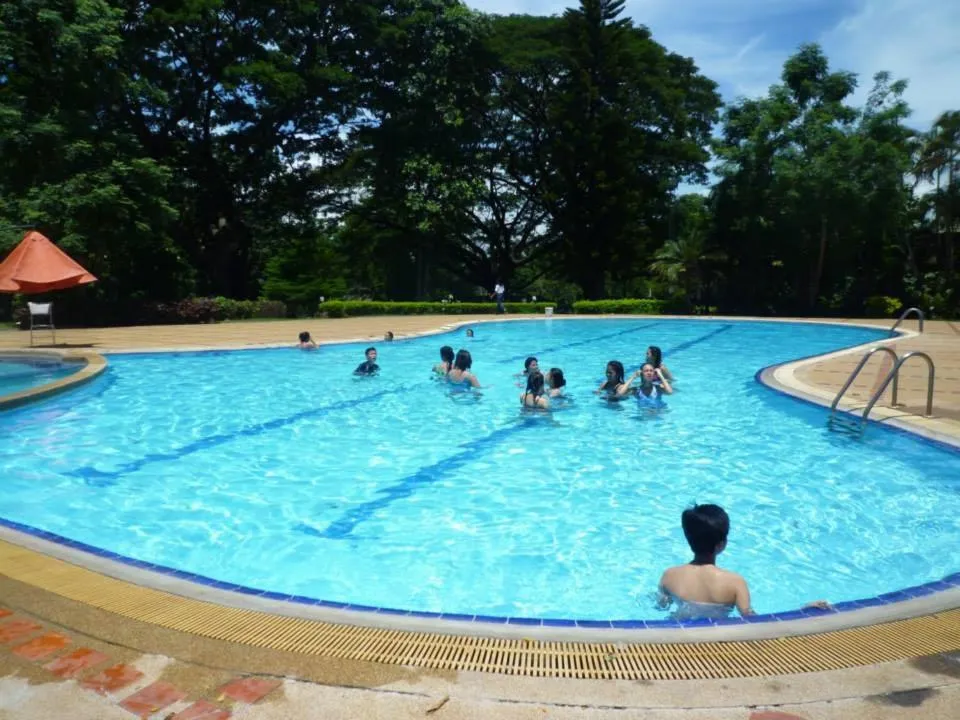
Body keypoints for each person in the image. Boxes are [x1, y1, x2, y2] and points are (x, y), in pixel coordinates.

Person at [658, 504, 831, 620]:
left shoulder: (669, 576)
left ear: (688, 539)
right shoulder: (734, 582)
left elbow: (661, 607)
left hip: (679, 636)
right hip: (717, 642)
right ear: (721, 545)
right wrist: (802, 611)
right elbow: (754, 621)